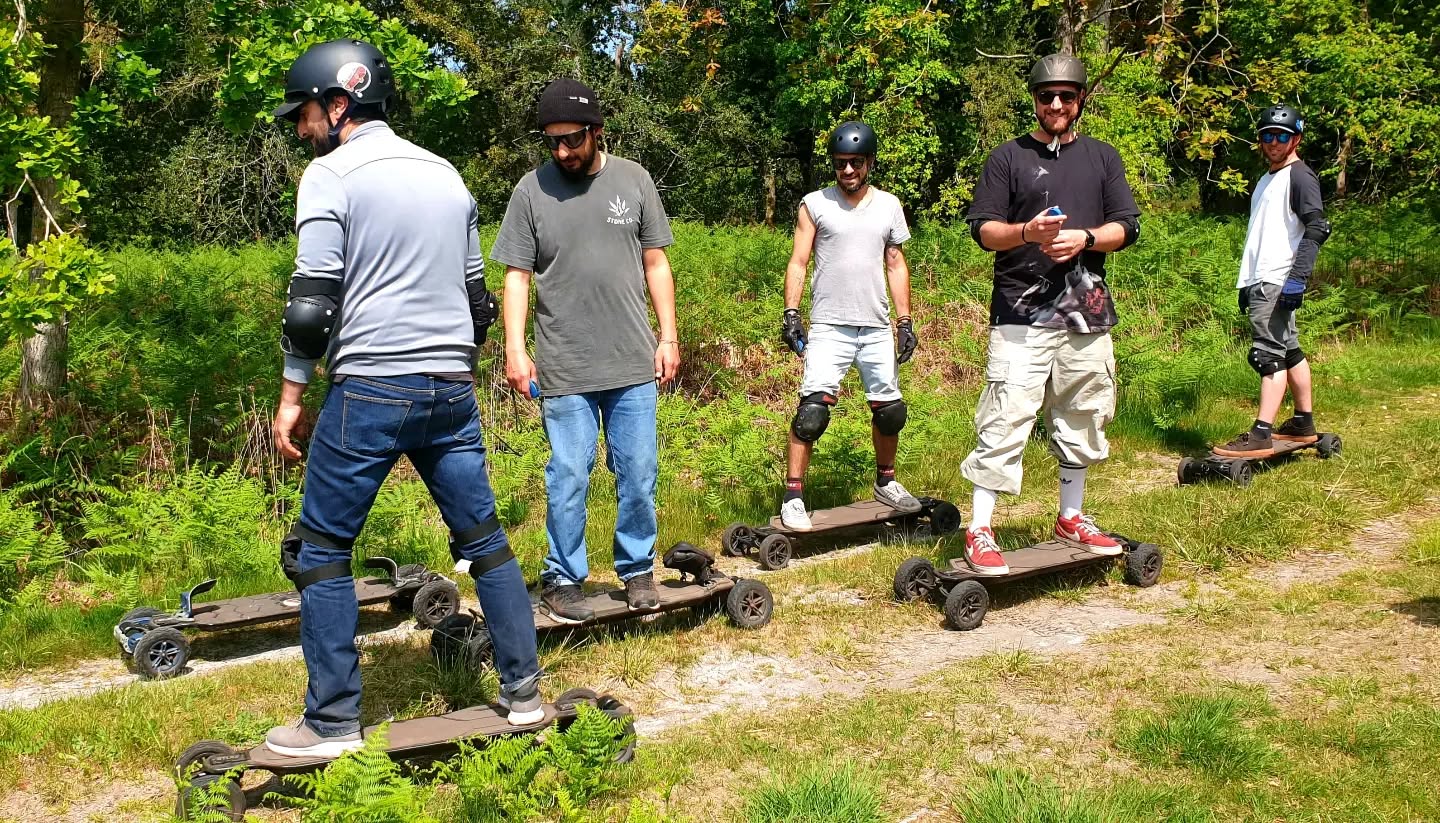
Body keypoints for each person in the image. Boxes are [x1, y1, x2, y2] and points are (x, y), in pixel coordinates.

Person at [266, 39, 543, 756]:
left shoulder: (330, 176)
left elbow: (311, 306)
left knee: (321, 550)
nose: (301, 129)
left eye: (305, 113)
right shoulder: (447, 176)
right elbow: (478, 303)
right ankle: (524, 694)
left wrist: (292, 393)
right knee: (484, 541)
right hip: (450, 388)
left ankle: (331, 722)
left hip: (370, 386)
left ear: (340, 103)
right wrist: (452, 369)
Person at [491, 78, 679, 623]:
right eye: (553, 141)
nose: (562, 151)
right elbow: (517, 277)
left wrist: (668, 336)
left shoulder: (634, 180)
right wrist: (515, 349)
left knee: (639, 472)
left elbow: (656, 264)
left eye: (572, 139)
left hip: (631, 361)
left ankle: (637, 570)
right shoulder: (531, 191)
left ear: (597, 131)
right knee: (569, 475)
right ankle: (562, 578)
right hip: (564, 365)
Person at [960, 54, 1142, 575]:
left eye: (1065, 95)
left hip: (1086, 311)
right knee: (1005, 417)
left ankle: (1071, 516)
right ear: (1035, 101)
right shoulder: (1008, 157)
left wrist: (1086, 237)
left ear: (1080, 99)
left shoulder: (1103, 158)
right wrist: (1027, 232)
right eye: (1046, 96)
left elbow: (1128, 226)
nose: (1056, 104)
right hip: (1020, 312)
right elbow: (983, 230)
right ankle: (980, 528)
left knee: (1084, 413)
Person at [778, 121, 920, 530]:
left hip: (875, 326)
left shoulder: (889, 205)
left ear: (869, 162)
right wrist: (791, 313)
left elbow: (895, 263)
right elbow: (798, 261)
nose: (848, 171)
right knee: (811, 414)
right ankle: (793, 496)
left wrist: (904, 321)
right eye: (841, 163)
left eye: (856, 163)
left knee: (890, 412)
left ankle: (886, 482)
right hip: (830, 325)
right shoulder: (814, 204)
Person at [1215, 104, 1330, 457]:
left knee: (1267, 355)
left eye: (1281, 136)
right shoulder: (1267, 178)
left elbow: (1317, 227)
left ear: (1296, 139)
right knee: (1289, 350)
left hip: (1277, 278)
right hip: (1262, 278)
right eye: (1267, 135)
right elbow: (1264, 234)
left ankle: (1262, 432)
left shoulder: (1300, 176)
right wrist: (1247, 283)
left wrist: (1297, 280)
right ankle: (1303, 422)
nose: (1274, 142)